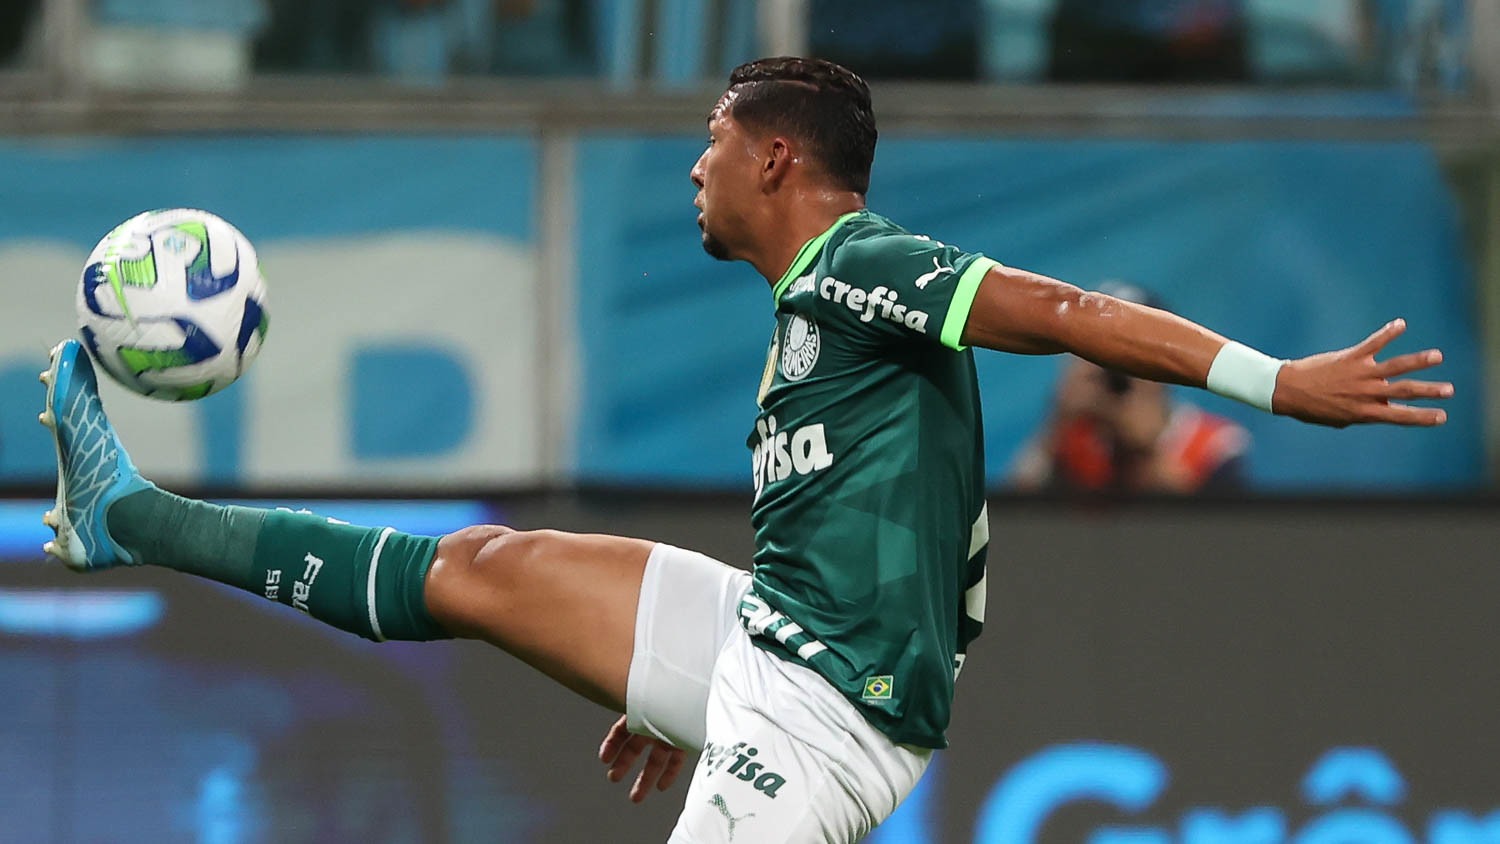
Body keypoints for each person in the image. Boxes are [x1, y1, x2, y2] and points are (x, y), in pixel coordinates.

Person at [40, 57, 1452, 843]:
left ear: (778, 159)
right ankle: (129, 514)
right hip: (769, 645)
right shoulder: (811, 320)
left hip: (825, 715)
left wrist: (1279, 381)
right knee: (481, 564)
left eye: (712, 143)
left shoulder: (866, 265)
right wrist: (679, 688)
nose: (696, 167)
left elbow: (1072, 313)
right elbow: (896, 546)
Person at [1010, 282, 1251, 494]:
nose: (1114, 365)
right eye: (1096, 350)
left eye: (1131, 352)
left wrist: (1144, 450)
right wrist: (1057, 421)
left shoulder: (1214, 445)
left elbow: (1212, 527)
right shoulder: (1074, 441)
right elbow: (1020, 513)